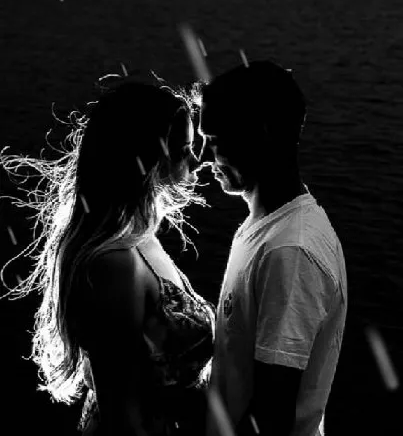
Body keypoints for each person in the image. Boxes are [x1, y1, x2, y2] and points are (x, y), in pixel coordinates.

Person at [0, 74, 215, 436]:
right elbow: (121, 411)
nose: (197, 161)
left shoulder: (141, 238)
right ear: (146, 160)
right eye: (183, 151)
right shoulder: (115, 265)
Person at [199, 60, 347, 436]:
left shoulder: (291, 252)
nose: (204, 156)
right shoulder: (265, 228)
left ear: (261, 133)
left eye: (214, 141)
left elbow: (271, 414)